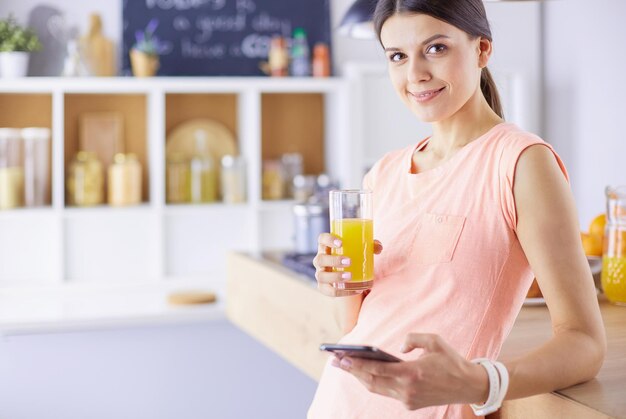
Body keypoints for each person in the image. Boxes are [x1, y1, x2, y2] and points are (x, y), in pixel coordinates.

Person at [308, 0, 606, 418]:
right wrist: (342, 284)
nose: (415, 74)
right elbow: (357, 331)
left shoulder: (521, 162)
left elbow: (585, 344)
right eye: (398, 56)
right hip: (339, 404)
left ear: (482, 50)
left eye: (436, 48)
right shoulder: (384, 173)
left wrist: (478, 382)